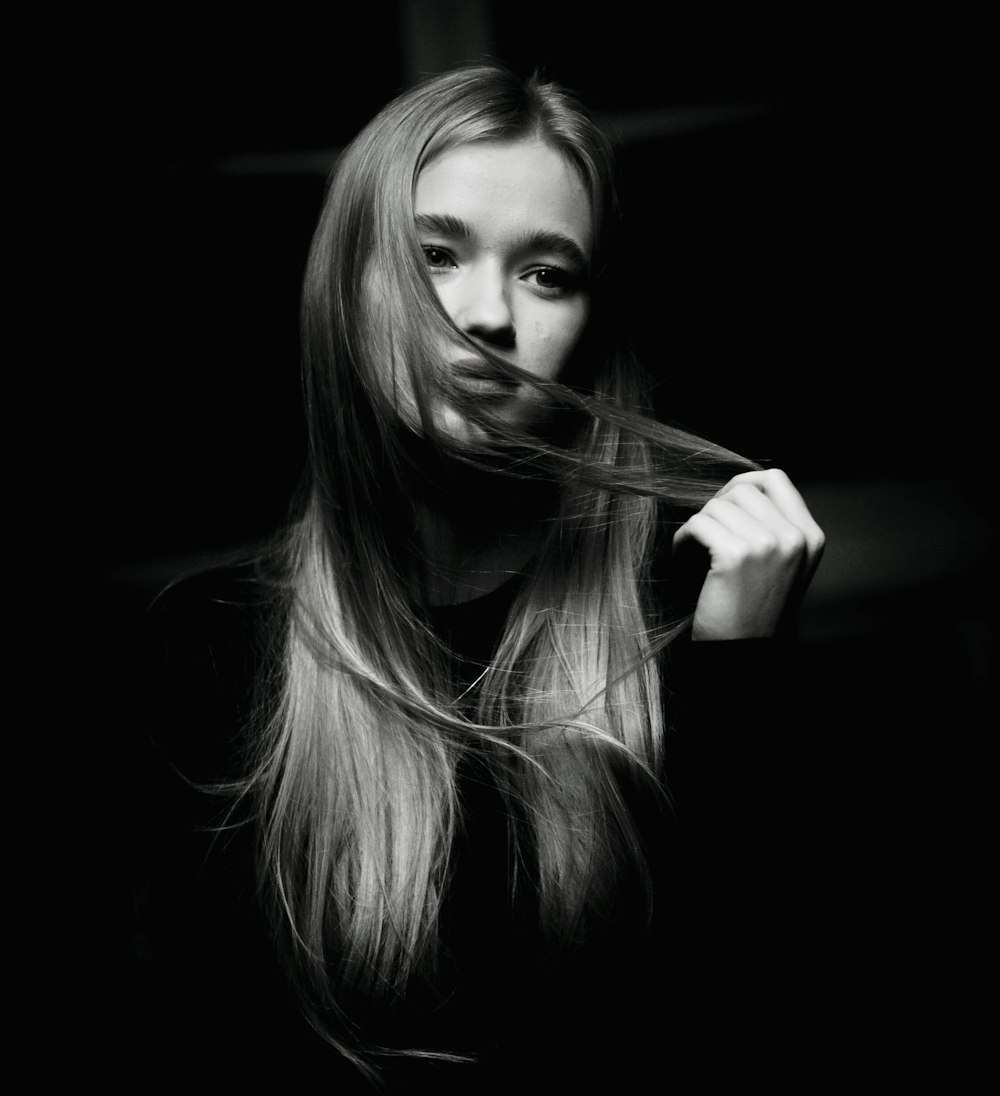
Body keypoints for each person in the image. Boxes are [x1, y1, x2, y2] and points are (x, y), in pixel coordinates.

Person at [132, 64, 825, 1090]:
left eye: (548, 273)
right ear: (347, 280)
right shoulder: (213, 645)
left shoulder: (687, 605)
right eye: (435, 255)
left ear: (595, 324)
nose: (486, 316)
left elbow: (738, 1019)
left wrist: (741, 671)